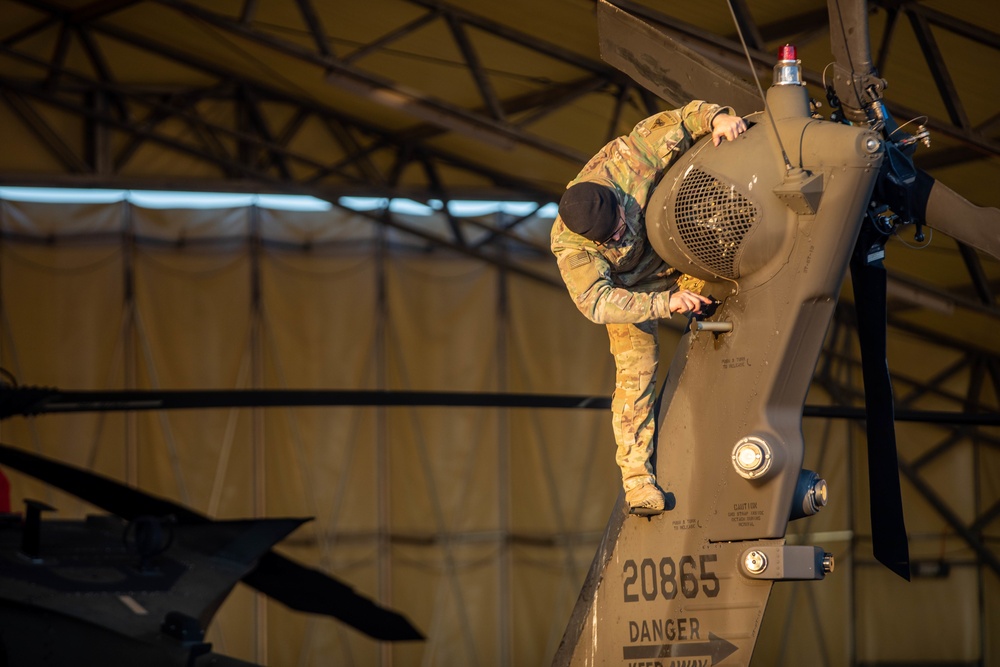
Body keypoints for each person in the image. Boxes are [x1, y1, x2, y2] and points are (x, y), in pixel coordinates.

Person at [550, 100, 747, 516]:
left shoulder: (629, 160)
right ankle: (638, 483)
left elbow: (681, 118)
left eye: (621, 223)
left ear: (615, 198)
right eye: (611, 238)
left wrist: (716, 119)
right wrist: (665, 302)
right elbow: (598, 303)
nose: (620, 235)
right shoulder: (572, 247)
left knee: (740, 288)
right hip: (632, 291)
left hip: (677, 251)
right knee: (635, 375)